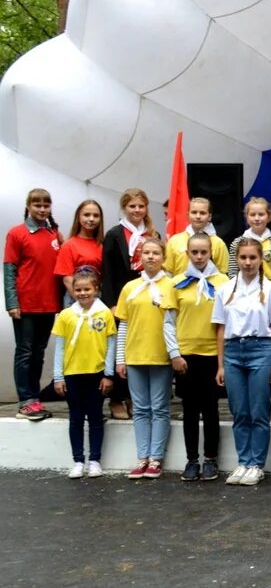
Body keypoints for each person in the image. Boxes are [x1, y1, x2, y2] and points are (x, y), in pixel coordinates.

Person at [214, 238, 271, 487]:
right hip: (233, 351)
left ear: (261, 259)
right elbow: (221, 329)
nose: (247, 262)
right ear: (237, 259)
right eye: (243, 258)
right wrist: (221, 365)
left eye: (252, 257)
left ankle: (257, 464)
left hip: (261, 350)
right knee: (240, 411)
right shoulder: (226, 288)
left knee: (258, 410)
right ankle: (243, 461)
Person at [166, 232, 229, 482]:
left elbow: (228, 321)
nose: (200, 256)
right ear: (188, 253)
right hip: (186, 356)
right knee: (190, 410)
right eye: (195, 252)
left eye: (204, 252)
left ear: (211, 252)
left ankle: (211, 459)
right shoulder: (178, 282)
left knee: (211, 409)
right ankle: (192, 459)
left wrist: (224, 361)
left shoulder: (223, 281)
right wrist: (174, 353)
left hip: (213, 354)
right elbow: (168, 322)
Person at [113, 237, 177, 480]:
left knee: (159, 408)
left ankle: (156, 457)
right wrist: (120, 359)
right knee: (140, 408)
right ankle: (142, 456)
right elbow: (123, 325)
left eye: (156, 253)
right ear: (140, 257)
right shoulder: (130, 288)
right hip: (135, 356)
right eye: (146, 253)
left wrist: (174, 354)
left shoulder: (171, 285)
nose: (151, 257)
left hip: (160, 355)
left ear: (163, 257)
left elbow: (174, 323)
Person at [51, 268, 115, 478]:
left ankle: (95, 459)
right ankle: (78, 460)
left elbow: (111, 345)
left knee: (96, 417)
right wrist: (58, 376)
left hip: (96, 373)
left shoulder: (104, 313)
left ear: (96, 289)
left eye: (87, 289)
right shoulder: (66, 315)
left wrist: (108, 374)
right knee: (76, 418)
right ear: (72, 291)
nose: (83, 293)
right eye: (78, 289)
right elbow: (60, 347)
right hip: (72, 374)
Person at [5, 187, 62, 421]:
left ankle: (35, 398)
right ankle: (25, 400)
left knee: (38, 353)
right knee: (25, 352)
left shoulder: (54, 235)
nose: (41, 209)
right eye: (37, 205)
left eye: (46, 205)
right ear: (28, 207)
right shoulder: (16, 233)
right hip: (25, 304)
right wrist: (11, 302)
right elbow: (9, 270)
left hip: (49, 304)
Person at [101, 188, 157, 420]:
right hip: (123, 301)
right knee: (120, 352)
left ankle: (136, 398)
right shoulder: (114, 234)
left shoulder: (153, 235)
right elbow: (108, 272)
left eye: (140, 206)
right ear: (125, 208)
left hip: (146, 300)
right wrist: (112, 303)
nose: (136, 210)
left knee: (141, 350)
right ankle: (116, 398)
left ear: (146, 208)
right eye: (132, 206)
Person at [228, 196, 271, 287]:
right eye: (252, 215)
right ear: (247, 217)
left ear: (268, 217)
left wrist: (270, 291)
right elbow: (232, 272)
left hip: (269, 293)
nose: (256, 218)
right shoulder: (237, 243)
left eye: (261, 214)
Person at [163, 196, 229, 277]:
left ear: (209, 217)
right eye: (194, 212)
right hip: (180, 288)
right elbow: (168, 273)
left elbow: (223, 275)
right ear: (187, 215)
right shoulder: (174, 241)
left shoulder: (218, 244)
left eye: (202, 213)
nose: (198, 216)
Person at [54, 199, 104, 296]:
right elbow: (67, 279)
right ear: (78, 217)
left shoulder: (103, 245)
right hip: (76, 299)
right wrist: (84, 302)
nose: (91, 219)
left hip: (98, 297)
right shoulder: (69, 245)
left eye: (96, 216)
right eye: (86, 215)